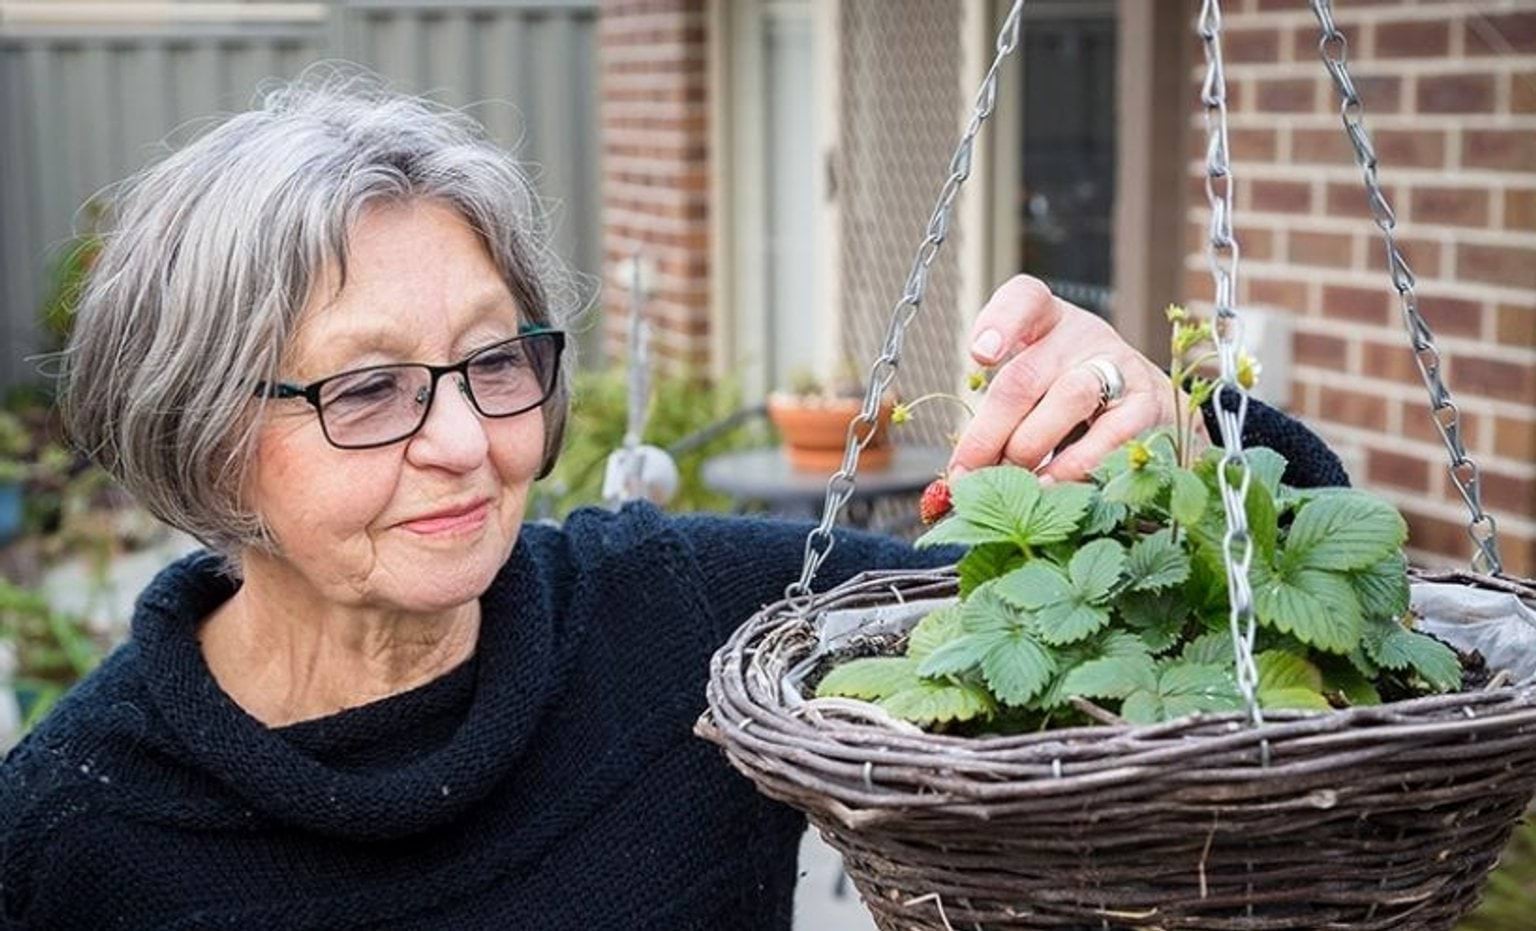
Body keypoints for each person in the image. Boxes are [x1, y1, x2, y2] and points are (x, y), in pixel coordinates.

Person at [0, 75, 1345, 931]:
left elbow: (1241, 618)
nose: (468, 443)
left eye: (494, 362)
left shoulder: (687, 618)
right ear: (204, 434)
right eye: (366, 391)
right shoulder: (72, 840)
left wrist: (1161, 433)